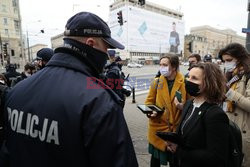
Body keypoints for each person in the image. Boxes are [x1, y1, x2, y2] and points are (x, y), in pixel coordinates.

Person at [0, 11, 138, 167]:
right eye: (105, 48)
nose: (106, 55)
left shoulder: (17, 90)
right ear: (90, 44)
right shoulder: (99, 102)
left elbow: (7, 153)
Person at [167, 63, 229, 167]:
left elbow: (217, 158)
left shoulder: (215, 115)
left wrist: (180, 151)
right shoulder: (188, 104)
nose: (188, 81)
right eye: (188, 77)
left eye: (194, 78)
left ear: (209, 83)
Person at [145, 55, 187, 167]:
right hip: (157, 127)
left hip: (176, 130)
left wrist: (183, 106)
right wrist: (151, 112)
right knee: (155, 161)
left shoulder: (185, 83)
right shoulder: (156, 82)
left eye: (165, 65)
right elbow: (149, 102)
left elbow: (191, 104)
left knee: (175, 162)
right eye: (160, 65)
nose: (161, 67)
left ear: (173, 67)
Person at [218, 43, 250, 167]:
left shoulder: (247, 76)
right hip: (229, 129)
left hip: (243, 132)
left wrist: (229, 93)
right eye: (224, 61)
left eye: (229, 60)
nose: (227, 64)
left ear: (240, 58)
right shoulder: (231, 76)